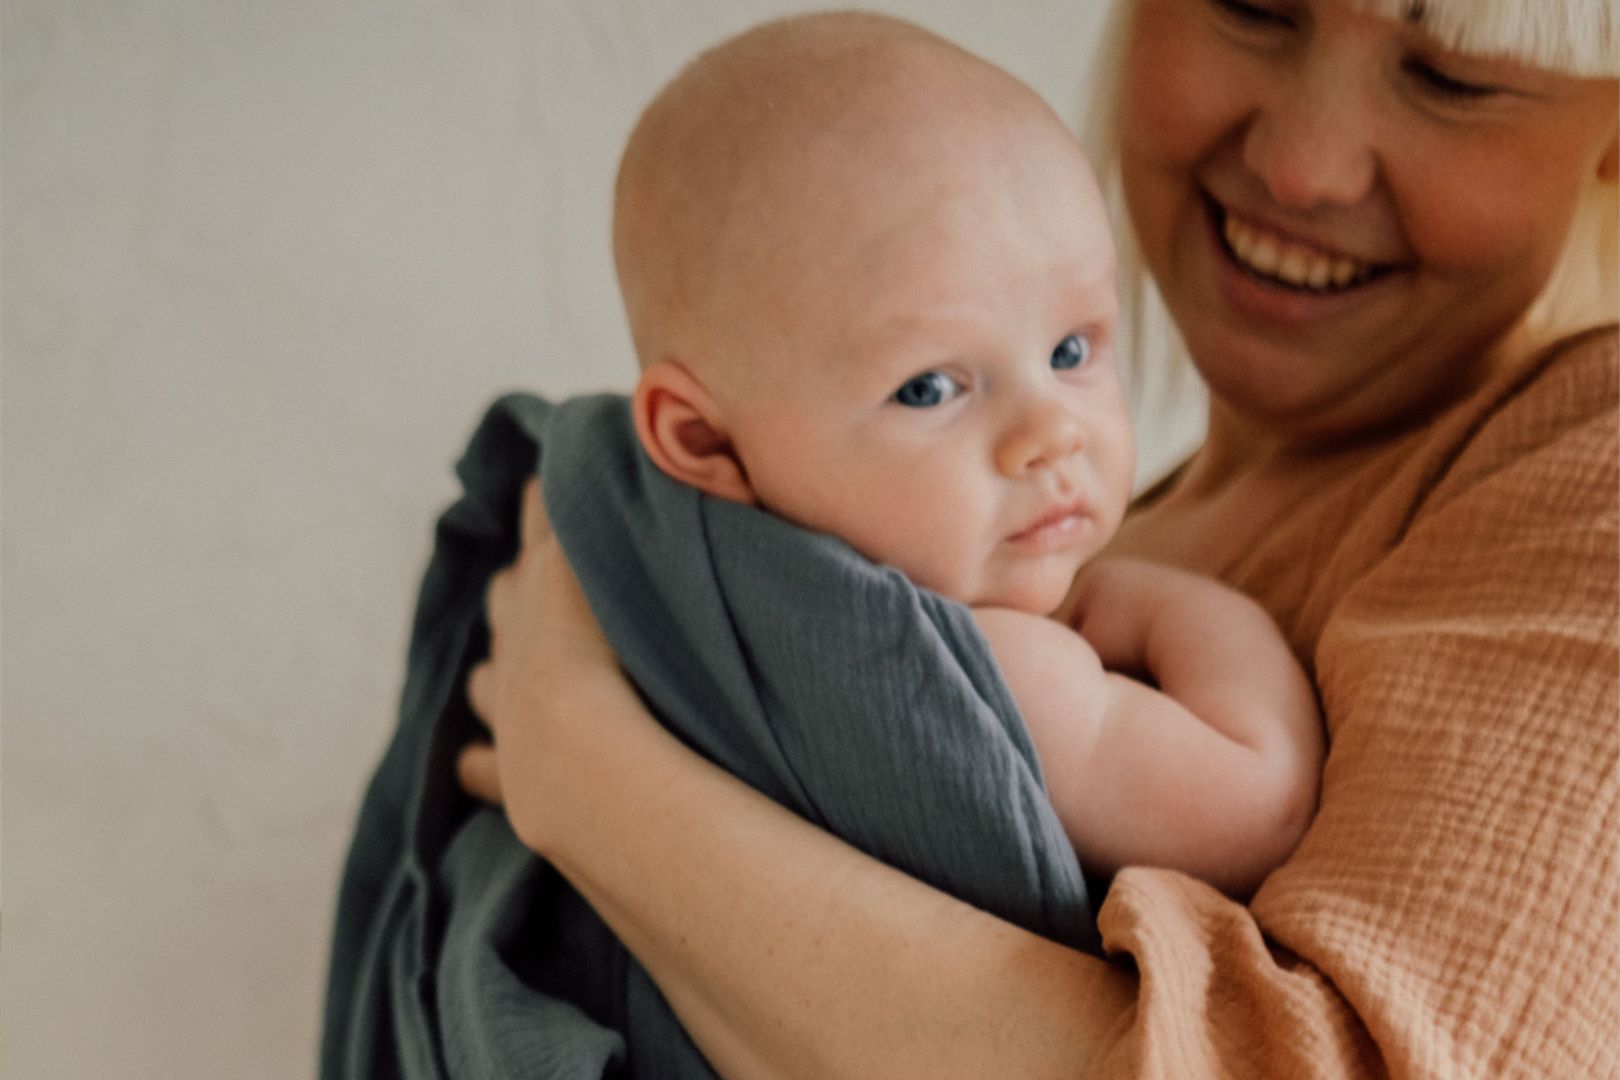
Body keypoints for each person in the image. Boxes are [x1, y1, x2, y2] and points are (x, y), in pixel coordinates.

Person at [459, 0, 1620, 1075]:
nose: (1302, 167)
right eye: (1254, 3)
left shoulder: (1578, 464)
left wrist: (589, 779)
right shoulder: (1017, 595)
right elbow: (1255, 795)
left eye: (1452, 78)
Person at [606, 12, 1321, 898]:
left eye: (1070, 352)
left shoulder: (653, 593)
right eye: (930, 390)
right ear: (702, 440)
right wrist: (1185, 604)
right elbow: (1261, 805)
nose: (1050, 434)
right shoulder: (987, 674)